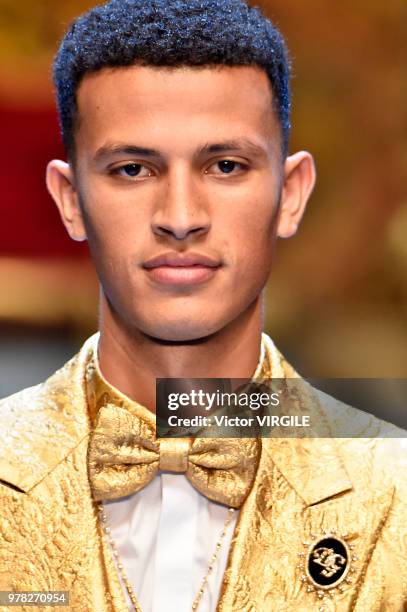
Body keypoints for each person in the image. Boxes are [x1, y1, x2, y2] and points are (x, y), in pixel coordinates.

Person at [0, 1, 406, 610]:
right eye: (133, 169)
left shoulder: (397, 491)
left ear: (291, 195)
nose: (181, 218)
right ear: (70, 200)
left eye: (225, 166)